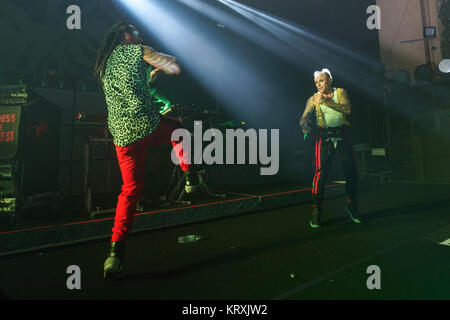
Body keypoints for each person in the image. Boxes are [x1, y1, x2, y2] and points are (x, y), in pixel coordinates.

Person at [93, 22, 202, 278]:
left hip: (122, 138)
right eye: (135, 33)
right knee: (179, 130)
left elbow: (142, 84)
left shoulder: (107, 63)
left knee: (129, 191)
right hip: (144, 124)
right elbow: (172, 65)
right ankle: (190, 177)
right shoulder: (137, 50)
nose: (139, 35)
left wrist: (156, 73)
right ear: (125, 35)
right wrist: (172, 61)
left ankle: (115, 254)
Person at [299, 68, 361, 228]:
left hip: (342, 135)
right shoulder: (313, 98)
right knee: (320, 174)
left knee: (351, 171)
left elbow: (348, 110)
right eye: (316, 82)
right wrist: (305, 126)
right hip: (324, 137)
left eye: (321, 81)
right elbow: (303, 118)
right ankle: (316, 209)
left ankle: (351, 204)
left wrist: (326, 102)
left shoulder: (340, 93)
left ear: (329, 80)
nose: (318, 85)